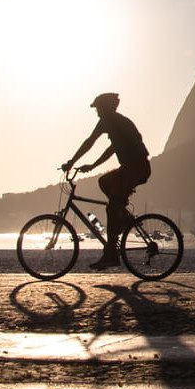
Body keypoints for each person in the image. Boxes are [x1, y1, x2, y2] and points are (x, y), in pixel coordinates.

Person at [62, 93, 151, 270]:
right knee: (104, 182)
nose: (97, 112)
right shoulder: (110, 122)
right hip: (130, 168)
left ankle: (111, 255)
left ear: (106, 108)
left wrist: (74, 162)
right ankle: (123, 217)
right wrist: (90, 165)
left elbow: (92, 143)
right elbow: (102, 146)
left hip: (136, 168)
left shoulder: (117, 122)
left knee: (111, 208)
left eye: (98, 108)